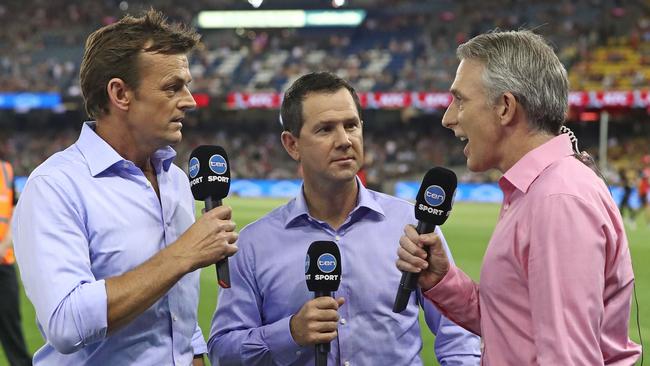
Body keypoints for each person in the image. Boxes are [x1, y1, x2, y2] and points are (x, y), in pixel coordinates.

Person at [396, 30, 642, 364]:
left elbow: (566, 358)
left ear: (505, 108)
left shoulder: (556, 200)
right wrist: (443, 280)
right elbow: (512, 326)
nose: (448, 117)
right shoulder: (540, 190)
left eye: (461, 100)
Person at [12, 9, 238, 365]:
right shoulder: (55, 187)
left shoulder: (176, 180)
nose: (190, 100)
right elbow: (66, 324)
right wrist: (182, 255)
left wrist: (195, 354)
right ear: (120, 94)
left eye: (187, 85)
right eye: (172, 87)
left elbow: (177, 314)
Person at [208, 71, 481, 365]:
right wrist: (290, 333)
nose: (344, 140)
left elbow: (457, 330)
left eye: (351, 125)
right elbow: (223, 351)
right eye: (325, 129)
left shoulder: (412, 226)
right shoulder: (254, 244)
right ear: (292, 145)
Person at [0, 158, 32, 366]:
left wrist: (3, 246)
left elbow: (14, 213)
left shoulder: (6, 170)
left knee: (11, 326)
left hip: (4, 262)